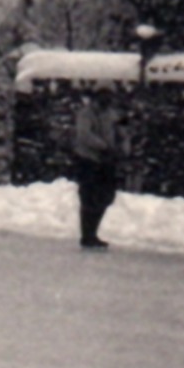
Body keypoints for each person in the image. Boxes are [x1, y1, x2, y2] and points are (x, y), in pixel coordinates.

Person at [71, 84, 126, 250]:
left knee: (106, 196)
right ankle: (87, 234)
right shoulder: (86, 114)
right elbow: (84, 135)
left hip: (106, 162)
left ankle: (92, 232)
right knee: (89, 197)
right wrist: (104, 147)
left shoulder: (111, 114)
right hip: (88, 160)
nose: (108, 100)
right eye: (104, 96)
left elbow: (119, 133)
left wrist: (121, 146)